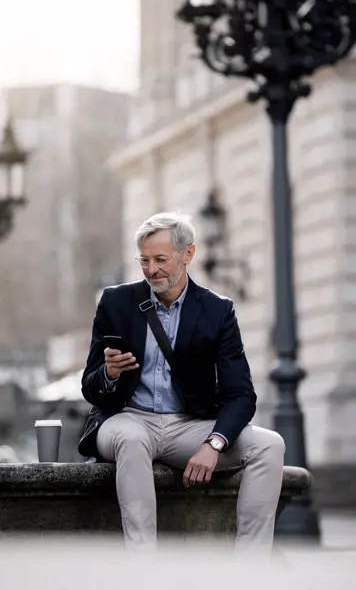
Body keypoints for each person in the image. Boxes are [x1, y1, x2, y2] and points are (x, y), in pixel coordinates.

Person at [79, 211, 285, 551]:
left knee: (270, 445)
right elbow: (90, 386)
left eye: (161, 259)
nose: (151, 270)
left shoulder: (217, 311)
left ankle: (251, 571)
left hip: (188, 426)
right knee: (131, 438)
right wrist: (109, 373)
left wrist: (214, 443)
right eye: (144, 260)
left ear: (187, 254)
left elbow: (241, 395)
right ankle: (143, 566)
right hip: (128, 419)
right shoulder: (117, 302)